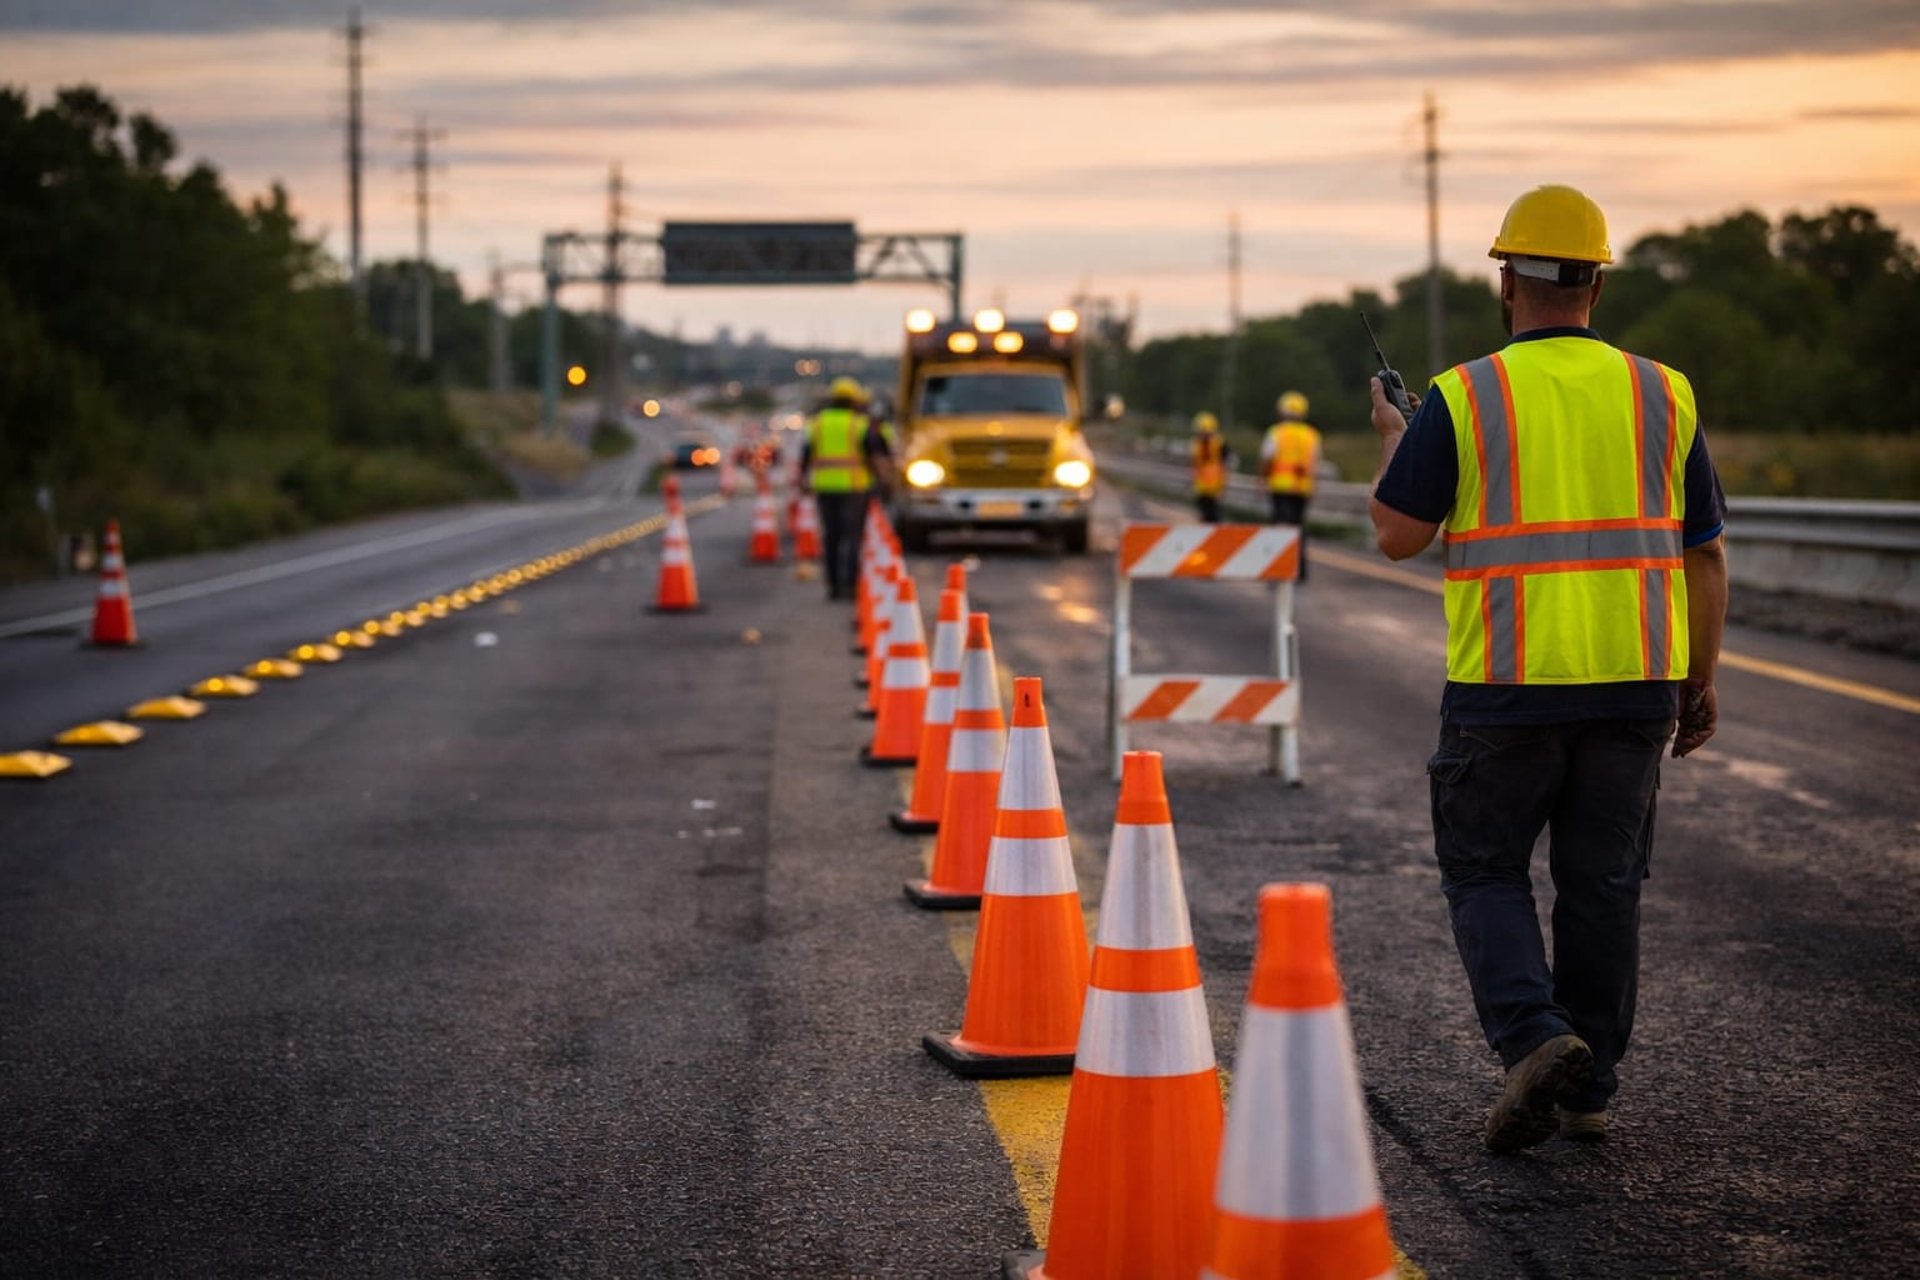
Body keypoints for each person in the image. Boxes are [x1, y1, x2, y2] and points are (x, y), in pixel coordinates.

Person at [1367, 183, 1729, 1153]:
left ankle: (1536, 1035)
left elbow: (1399, 534)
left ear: (1505, 280)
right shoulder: (1666, 391)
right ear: (1596, 284)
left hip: (1508, 686)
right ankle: (1589, 1087)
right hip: (1635, 682)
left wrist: (1395, 442)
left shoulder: (1464, 393)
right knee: (1603, 883)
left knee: (1485, 867)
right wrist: (1698, 680)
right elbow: (1705, 553)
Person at [800, 377, 894, 601]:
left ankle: (833, 585)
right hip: (854, 488)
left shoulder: (818, 423)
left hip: (824, 487)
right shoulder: (859, 424)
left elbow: (806, 455)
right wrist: (886, 481)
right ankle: (849, 585)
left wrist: (803, 480)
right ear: (854, 401)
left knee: (831, 537)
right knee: (852, 537)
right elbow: (874, 455)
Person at [1260, 391, 1321, 578]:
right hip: (1302, 489)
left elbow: (1267, 459)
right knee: (1298, 528)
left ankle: (1278, 568)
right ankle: (1300, 570)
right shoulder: (1312, 435)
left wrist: (1262, 478)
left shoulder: (1276, 432)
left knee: (1280, 527)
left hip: (1280, 487)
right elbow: (1315, 463)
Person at [1189, 411, 1231, 523]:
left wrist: (1224, 482)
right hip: (1202, 485)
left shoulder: (1218, 443)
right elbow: (1194, 463)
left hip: (1214, 486)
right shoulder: (1198, 443)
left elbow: (1225, 463)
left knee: (1213, 515)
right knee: (1204, 515)